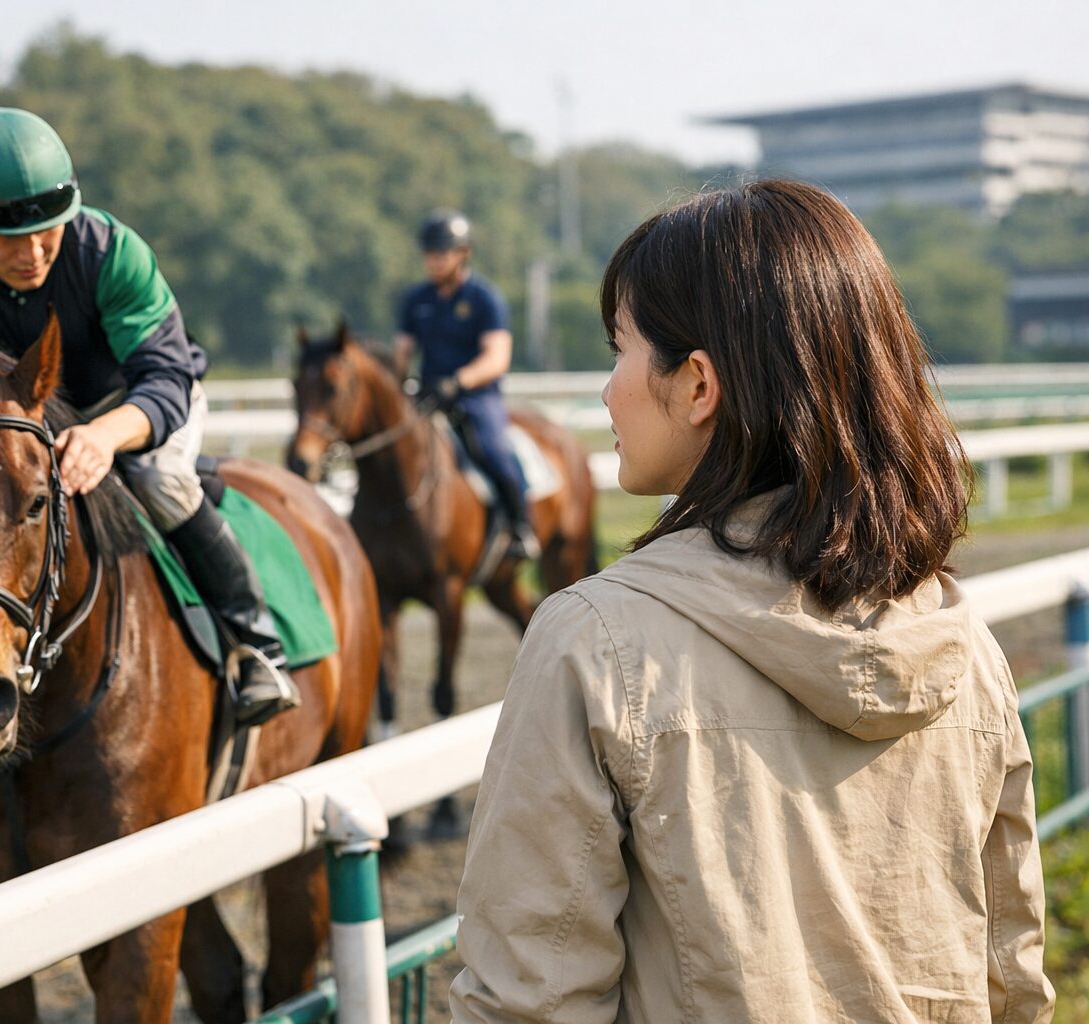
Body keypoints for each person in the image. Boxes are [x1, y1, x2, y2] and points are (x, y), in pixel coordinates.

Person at [450, 181, 1054, 1022]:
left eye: (618, 350)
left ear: (698, 385)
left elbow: (529, 1001)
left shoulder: (592, 640)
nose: (606, 390)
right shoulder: (967, 648)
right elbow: (1011, 979)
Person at [0, 106, 295, 725]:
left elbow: (166, 377)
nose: (34, 251)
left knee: (163, 481)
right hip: (8, 435)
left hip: (134, 407)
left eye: (49, 229)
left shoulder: (113, 252)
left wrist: (105, 437)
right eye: (9, 237)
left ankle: (253, 642)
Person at [394, 208, 538, 560]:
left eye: (441, 253)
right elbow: (402, 352)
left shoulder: (484, 299)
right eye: (429, 254)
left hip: (475, 397)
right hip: (428, 394)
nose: (434, 261)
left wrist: (457, 382)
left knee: (493, 451)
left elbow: (496, 358)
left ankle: (521, 527)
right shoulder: (416, 300)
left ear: (464, 253)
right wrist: (398, 385)